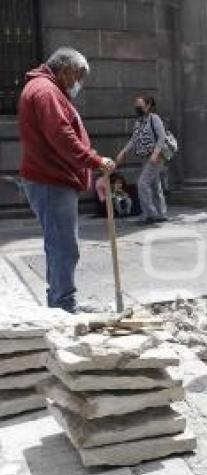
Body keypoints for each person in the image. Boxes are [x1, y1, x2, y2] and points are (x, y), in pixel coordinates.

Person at [17, 47, 115, 313]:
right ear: (65, 70)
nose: (78, 83)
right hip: (51, 180)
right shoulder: (46, 91)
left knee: (58, 244)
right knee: (63, 246)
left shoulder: (44, 89)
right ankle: (63, 305)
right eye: (78, 76)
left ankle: (59, 301)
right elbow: (61, 136)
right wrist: (95, 160)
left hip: (52, 179)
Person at [115, 95, 168, 224]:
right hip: (144, 158)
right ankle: (161, 214)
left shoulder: (154, 118)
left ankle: (149, 214)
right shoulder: (139, 122)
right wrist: (123, 152)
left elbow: (162, 137)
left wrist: (155, 153)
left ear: (148, 105)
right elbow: (134, 139)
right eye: (136, 105)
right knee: (155, 186)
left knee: (142, 183)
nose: (137, 107)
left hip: (154, 157)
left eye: (140, 104)